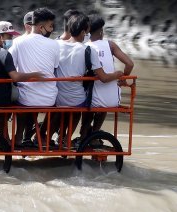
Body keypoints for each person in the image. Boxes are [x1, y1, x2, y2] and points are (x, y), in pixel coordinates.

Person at [55, 14, 122, 144]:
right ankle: (75, 137)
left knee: (77, 103)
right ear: (83, 32)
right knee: (90, 102)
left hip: (57, 96)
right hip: (75, 99)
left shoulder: (57, 45)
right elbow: (103, 77)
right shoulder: (88, 49)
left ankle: (59, 136)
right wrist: (118, 74)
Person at [8, 8, 60, 146]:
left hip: (26, 99)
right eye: (50, 26)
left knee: (23, 95)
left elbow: (10, 65)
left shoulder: (18, 42)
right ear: (41, 27)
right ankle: (40, 135)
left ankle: (19, 136)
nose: (51, 29)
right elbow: (54, 67)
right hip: (49, 99)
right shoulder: (54, 44)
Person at [84, 14, 134, 136]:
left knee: (87, 94)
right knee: (103, 103)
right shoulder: (110, 45)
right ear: (101, 31)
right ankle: (95, 132)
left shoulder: (85, 46)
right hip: (112, 100)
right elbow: (129, 64)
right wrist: (123, 78)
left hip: (91, 101)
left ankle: (84, 134)